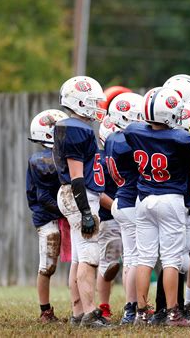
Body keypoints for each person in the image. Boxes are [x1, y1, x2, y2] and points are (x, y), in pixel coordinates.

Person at [124, 87, 190, 326]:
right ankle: (174, 313)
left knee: (144, 258)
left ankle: (142, 312)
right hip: (170, 199)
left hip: (143, 199)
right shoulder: (181, 138)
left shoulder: (134, 131)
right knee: (171, 260)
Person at [53, 76, 110, 328]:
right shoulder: (76, 128)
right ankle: (88, 313)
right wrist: (86, 211)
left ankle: (77, 313)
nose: (98, 106)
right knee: (89, 255)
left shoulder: (79, 127)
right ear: (80, 102)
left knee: (78, 256)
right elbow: (77, 175)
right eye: (93, 102)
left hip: (77, 194)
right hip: (80, 195)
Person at [106, 92, 145, 324]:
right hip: (131, 202)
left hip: (121, 200)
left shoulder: (112, 138)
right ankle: (133, 308)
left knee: (131, 257)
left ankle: (131, 308)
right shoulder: (130, 142)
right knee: (136, 259)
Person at [26, 109, 68, 323]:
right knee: (47, 265)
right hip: (49, 216)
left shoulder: (59, 156)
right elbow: (43, 198)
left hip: (64, 213)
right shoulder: (41, 160)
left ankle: (82, 308)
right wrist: (68, 212)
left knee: (83, 260)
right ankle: (45, 311)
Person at [95, 117, 122, 322]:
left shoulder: (102, 157)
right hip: (112, 217)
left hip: (117, 216)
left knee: (125, 263)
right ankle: (103, 306)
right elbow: (98, 192)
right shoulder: (102, 160)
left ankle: (136, 303)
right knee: (108, 265)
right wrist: (117, 207)